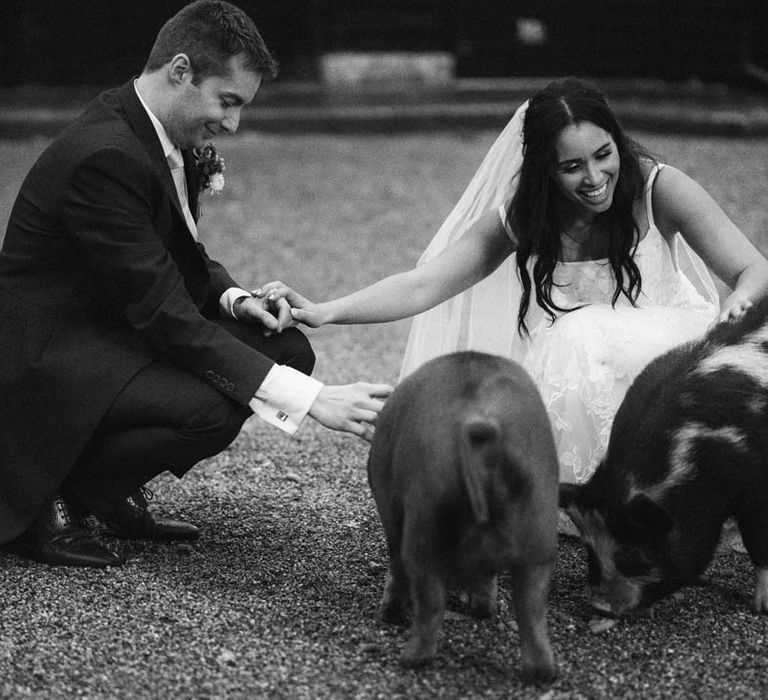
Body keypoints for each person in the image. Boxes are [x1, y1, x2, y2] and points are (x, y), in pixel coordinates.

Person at [0, 0, 391, 569]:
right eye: (227, 102)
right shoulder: (104, 156)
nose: (232, 125)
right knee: (209, 406)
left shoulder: (154, 128)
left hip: (113, 324)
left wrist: (236, 298)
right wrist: (314, 401)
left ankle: (104, 488)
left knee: (285, 347)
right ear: (180, 71)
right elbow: (163, 312)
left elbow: (176, 254)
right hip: (53, 357)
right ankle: (54, 499)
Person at [258, 77, 768, 496]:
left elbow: (754, 268)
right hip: (580, 369)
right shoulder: (526, 216)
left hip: (667, 354)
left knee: (582, 336)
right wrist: (324, 311)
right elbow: (424, 285)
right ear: (545, 171)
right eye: (571, 167)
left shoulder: (660, 187)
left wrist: (740, 302)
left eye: (603, 154)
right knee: (548, 363)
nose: (594, 177)